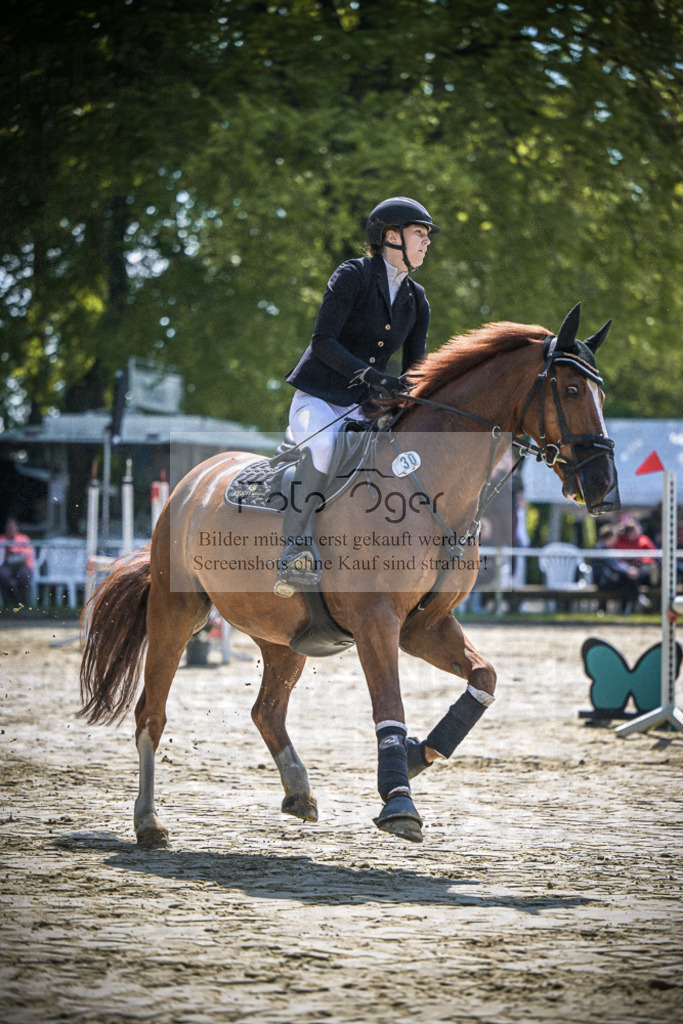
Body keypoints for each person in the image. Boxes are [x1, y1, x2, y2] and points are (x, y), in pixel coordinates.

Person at [273, 196, 440, 598]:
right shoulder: (353, 275)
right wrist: (371, 374)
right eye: (419, 233)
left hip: (366, 408)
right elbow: (323, 341)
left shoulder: (416, 300)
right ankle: (293, 548)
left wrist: (413, 395)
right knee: (326, 447)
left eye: (427, 236)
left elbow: (415, 368)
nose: (426, 242)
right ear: (390, 236)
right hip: (319, 397)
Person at [0, 517, 35, 607]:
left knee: (24, 575)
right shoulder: (2, 539)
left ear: (17, 528)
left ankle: (21, 601)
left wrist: (15, 552)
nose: (11, 529)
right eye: (9, 527)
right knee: (3, 575)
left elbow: (29, 552)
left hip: (22, 565)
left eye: (12, 527)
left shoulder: (24, 538)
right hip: (6, 566)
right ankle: (7, 602)